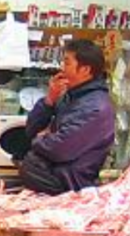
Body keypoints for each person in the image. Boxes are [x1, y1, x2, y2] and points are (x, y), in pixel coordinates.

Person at [17, 39, 115, 194]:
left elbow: (59, 148)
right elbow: (31, 130)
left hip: (70, 188)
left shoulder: (95, 108)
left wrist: (39, 139)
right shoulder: (69, 96)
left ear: (85, 70)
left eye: (67, 63)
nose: (62, 68)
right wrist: (49, 100)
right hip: (49, 182)